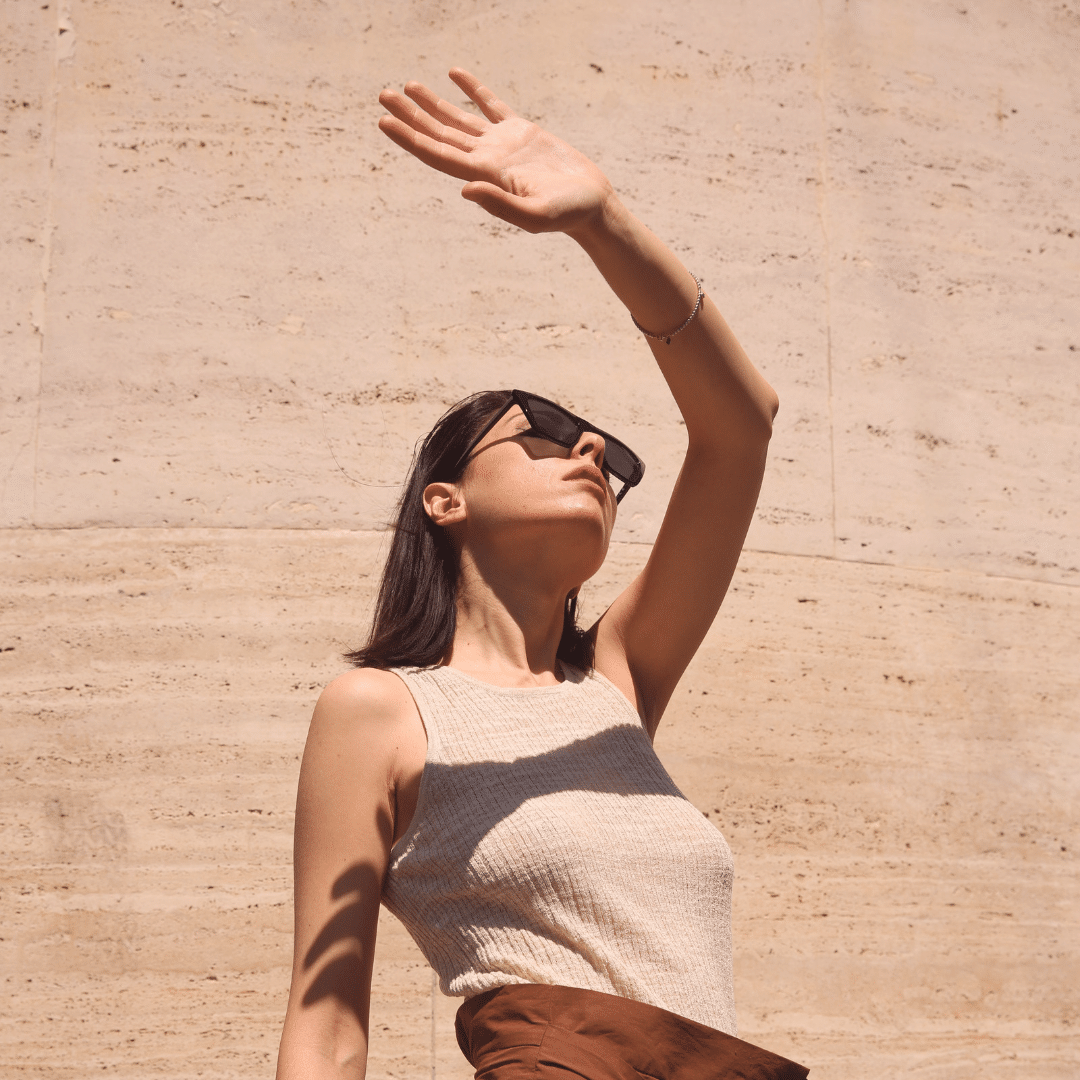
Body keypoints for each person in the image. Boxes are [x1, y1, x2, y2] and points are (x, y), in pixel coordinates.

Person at [276, 69, 807, 1080]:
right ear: (445, 499)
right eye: (549, 435)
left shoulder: (615, 684)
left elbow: (741, 427)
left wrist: (603, 221)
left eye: (610, 453)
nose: (592, 454)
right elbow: (326, 1020)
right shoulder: (380, 711)